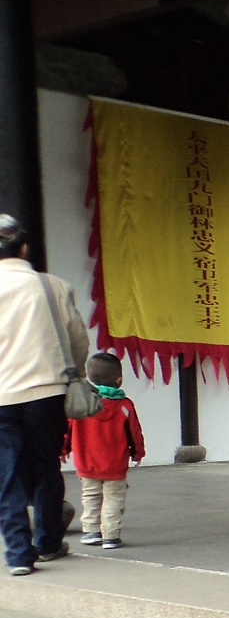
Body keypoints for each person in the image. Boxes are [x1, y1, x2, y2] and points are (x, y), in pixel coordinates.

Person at [0, 215, 88, 578]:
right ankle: (49, 543)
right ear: (23, 248)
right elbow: (77, 338)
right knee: (46, 466)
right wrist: (78, 374)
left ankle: (18, 555)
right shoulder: (53, 287)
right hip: (47, 390)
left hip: (1, 396)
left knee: (7, 473)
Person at [66, 351, 145, 549]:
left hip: (86, 463)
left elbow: (67, 429)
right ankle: (110, 536)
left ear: (90, 379)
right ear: (119, 380)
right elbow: (134, 432)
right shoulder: (125, 406)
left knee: (90, 497)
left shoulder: (82, 404)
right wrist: (138, 453)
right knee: (113, 499)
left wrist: (63, 449)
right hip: (115, 465)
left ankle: (91, 532)